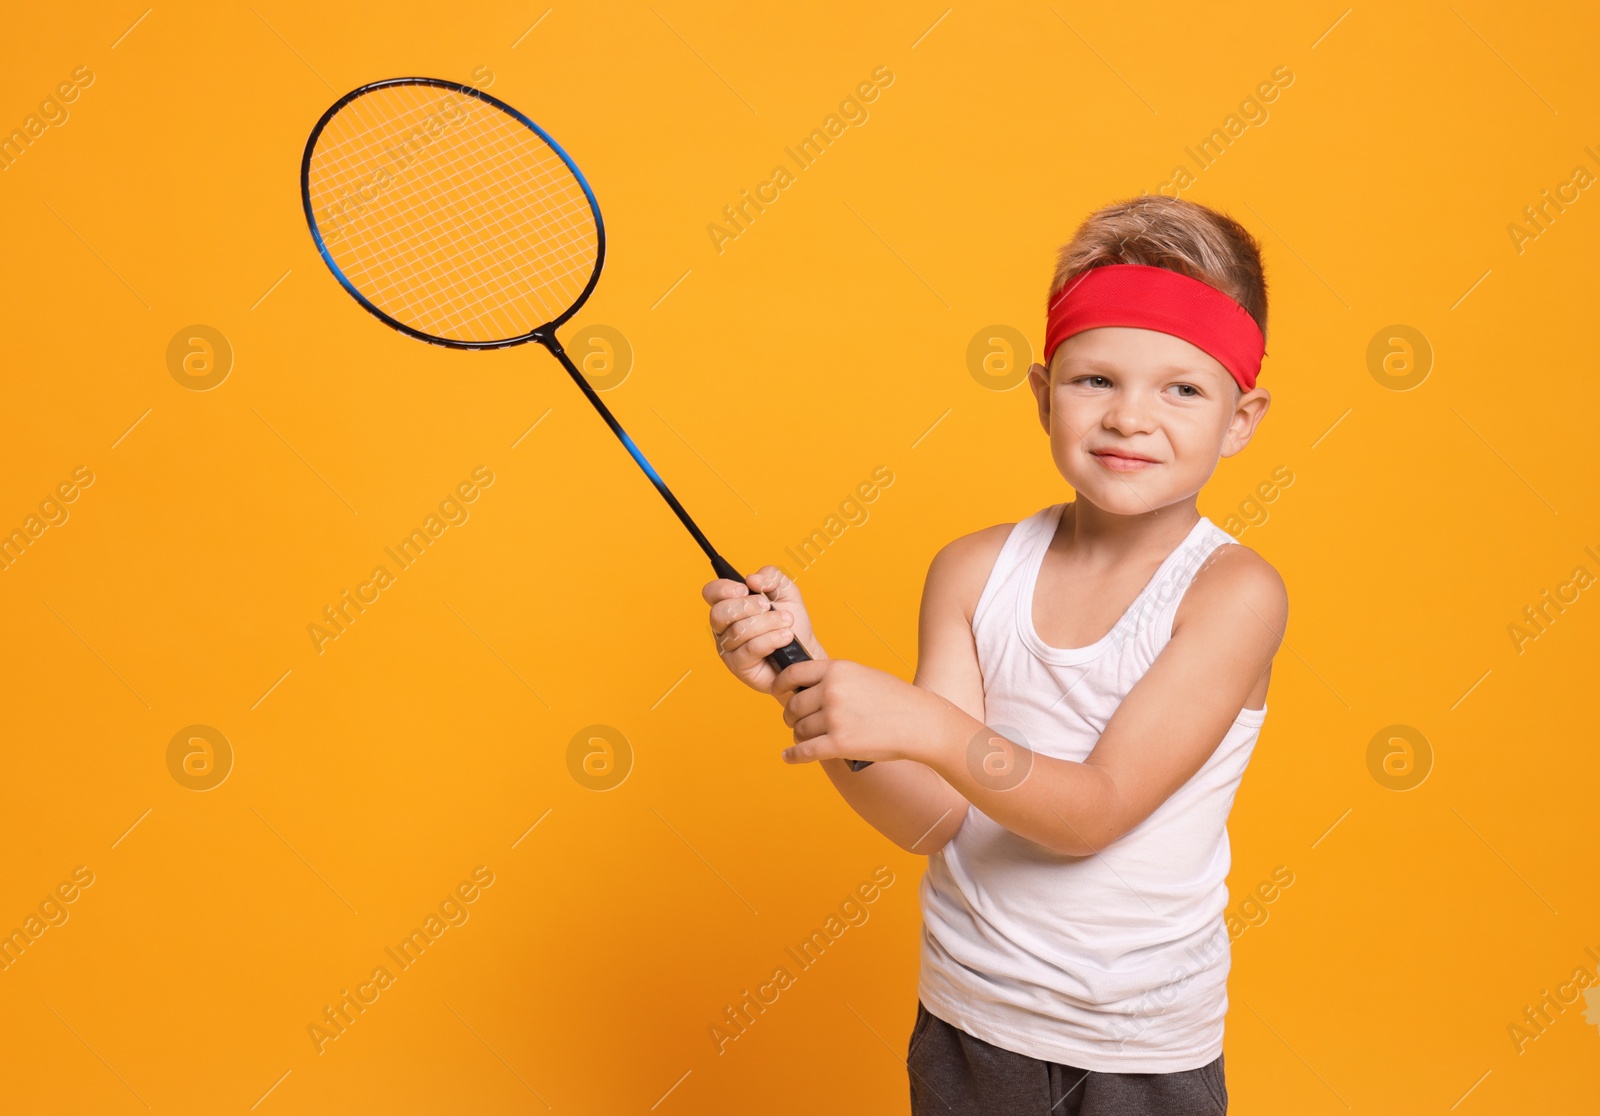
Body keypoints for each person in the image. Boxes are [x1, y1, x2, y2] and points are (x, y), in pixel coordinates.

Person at [702, 194, 1287, 1115]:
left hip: (1132, 1049)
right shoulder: (975, 570)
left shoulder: (1232, 596)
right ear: (1043, 391)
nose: (1132, 418)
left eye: (1182, 388)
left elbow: (1093, 814)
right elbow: (932, 819)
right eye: (1097, 381)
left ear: (1241, 417)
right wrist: (803, 680)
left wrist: (929, 727)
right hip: (970, 1022)